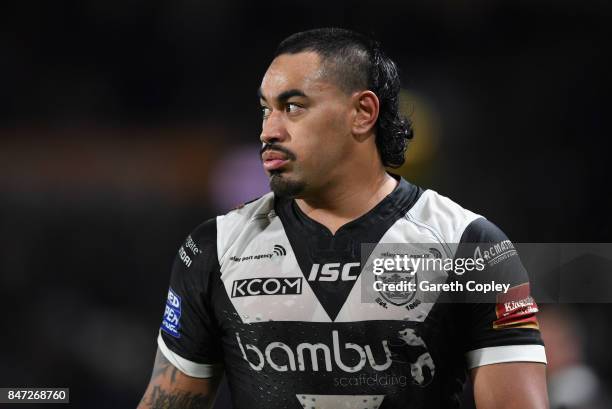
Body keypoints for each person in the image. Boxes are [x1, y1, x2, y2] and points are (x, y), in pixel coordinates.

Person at [137, 28, 548, 409]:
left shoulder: (470, 246)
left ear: (363, 112)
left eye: (293, 107)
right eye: (265, 110)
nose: (268, 131)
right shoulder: (214, 249)